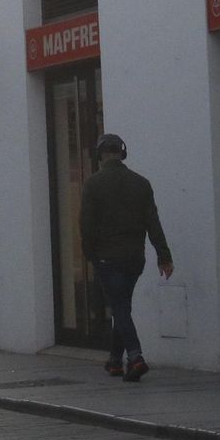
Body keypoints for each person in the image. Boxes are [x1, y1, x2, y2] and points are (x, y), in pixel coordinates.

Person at [79, 133, 173, 383]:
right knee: (123, 305)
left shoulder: (93, 184)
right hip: (134, 258)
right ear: (122, 153)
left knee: (119, 307)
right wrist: (164, 255)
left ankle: (135, 356)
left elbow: (86, 225)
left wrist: (90, 254)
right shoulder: (141, 184)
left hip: (107, 258)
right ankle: (114, 362)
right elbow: (153, 223)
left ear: (100, 156)